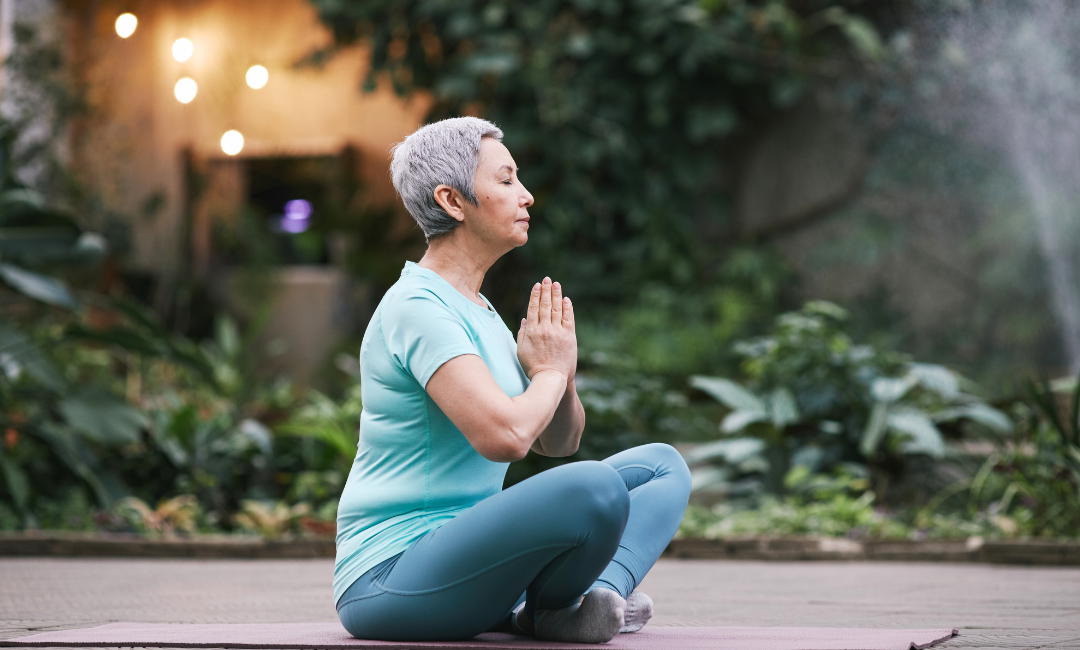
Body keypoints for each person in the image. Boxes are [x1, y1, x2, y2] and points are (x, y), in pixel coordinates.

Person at [333, 116, 692, 644]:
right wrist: (546, 371)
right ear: (453, 201)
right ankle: (549, 610)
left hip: (470, 567)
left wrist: (561, 373)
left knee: (661, 466)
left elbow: (557, 441)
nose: (525, 196)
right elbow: (505, 439)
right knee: (594, 487)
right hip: (391, 578)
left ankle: (583, 603)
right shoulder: (416, 307)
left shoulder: (478, 309)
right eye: (506, 180)